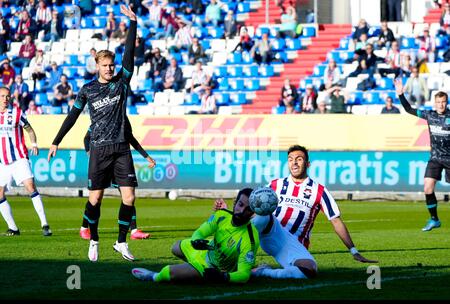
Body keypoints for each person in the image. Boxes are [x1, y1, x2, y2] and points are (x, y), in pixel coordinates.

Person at [47, 5, 140, 262]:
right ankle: (95, 240)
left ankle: (121, 242)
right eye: (106, 65)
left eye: (112, 65)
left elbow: (129, 55)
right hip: (99, 149)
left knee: (130, 197)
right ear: (97, 65)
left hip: (121, 146)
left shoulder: (121, 83)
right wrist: (56, 141)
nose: (110, 69)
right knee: (95, 200)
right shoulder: (87, 90)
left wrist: (133, 23)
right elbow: (73, 116)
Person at [254, 145, 377, 277]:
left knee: (309, 270)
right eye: (290, 159)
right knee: (261, 216)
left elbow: (335, 220)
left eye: (299, 159)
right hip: (272, 230)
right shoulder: (275, 184)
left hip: (292, 244)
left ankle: (263, 272)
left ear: (307, 164)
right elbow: (255, 204)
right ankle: (238, 258)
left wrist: (354, 251)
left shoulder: (319, 191)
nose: (294, 162)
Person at [131, 188, 260, 284]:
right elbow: (200, 232)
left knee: (169, 272)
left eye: (248, 209)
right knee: (175, 247)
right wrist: (196, 240)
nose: (242, 211)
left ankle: (153, 276)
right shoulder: (222, 215)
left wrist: (223, 276)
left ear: (253, 213)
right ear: (235, 203)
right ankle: (191, 269)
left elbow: (243, 275)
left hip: (212, 269)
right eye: (240, 205)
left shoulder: (250, 238)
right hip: (205, 253)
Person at [79, 129, 156, 240]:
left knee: (128, 197)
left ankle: (134, 230)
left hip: (118, 162)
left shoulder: (122, 120)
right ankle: (84, 228)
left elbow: (130, 137)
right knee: (96, 198)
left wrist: (146, 156)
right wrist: (91, 156)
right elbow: (87, 138)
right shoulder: (100, 120)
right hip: (102, 161)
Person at [395, 78, 450, 231]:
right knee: (427, 188)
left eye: (444, 102)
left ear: (447, 102)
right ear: (435, 103)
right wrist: (400, 95)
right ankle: (434, 219)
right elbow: (409, 110)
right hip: (435, 159)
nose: (441, 105)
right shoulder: (430, 116)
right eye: (439, 102)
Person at [0, 87, 52, 237]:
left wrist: (34, 144)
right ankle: (13, 228)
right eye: (2, 96)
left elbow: (29, 130)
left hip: (19, 158)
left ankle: (45, 224)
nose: (5, 99)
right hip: (3, 162)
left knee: (30, 186)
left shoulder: (17, 113)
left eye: (7, 96)